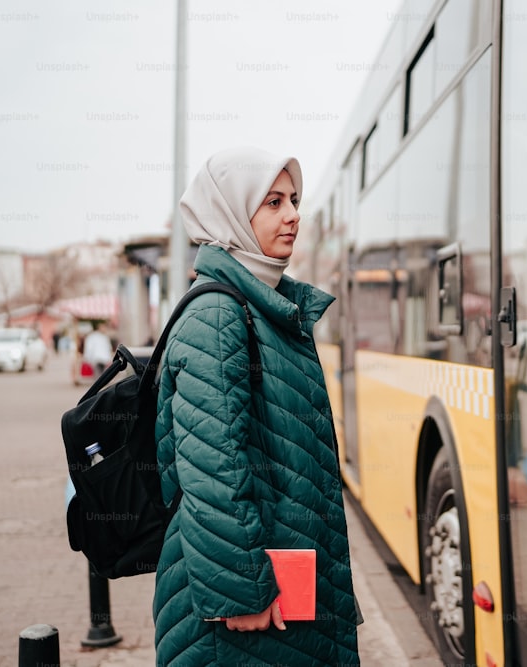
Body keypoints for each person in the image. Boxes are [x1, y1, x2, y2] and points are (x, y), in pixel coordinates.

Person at [152, 147, 360, 666]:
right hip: (248, 606)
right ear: (230, 215)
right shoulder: (219, 314)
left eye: (293, 199)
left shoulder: (264, 306)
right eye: (272, 202)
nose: (293, 214)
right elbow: (210, 467)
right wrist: (242, 589)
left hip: (284, 584)